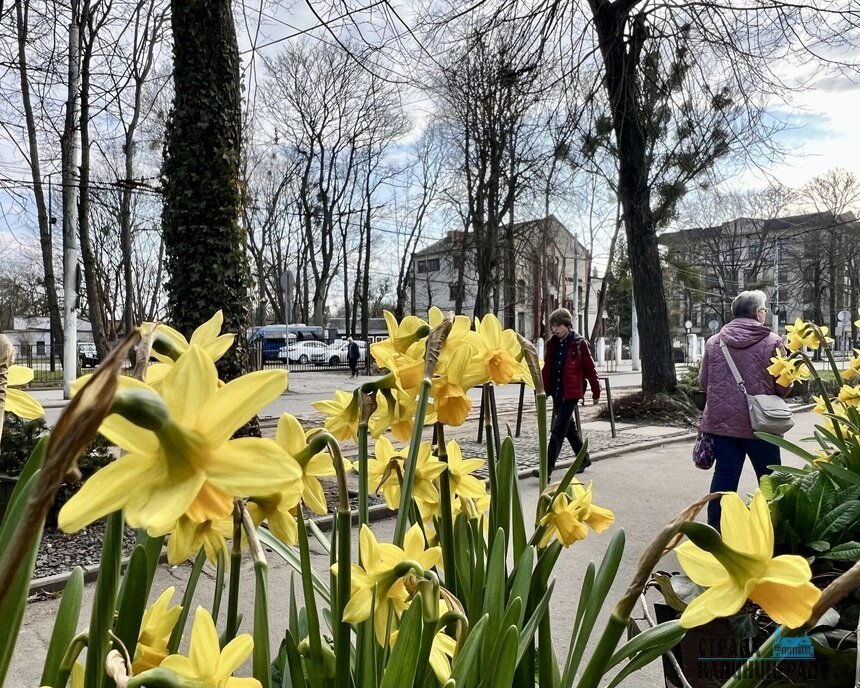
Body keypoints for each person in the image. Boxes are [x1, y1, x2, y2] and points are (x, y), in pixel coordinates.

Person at [699, 290, 791, 529]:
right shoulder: (773, 341)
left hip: (723, 425)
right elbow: (783, 385)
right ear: (758, 312)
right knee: (770, 479)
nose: (765, 313)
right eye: (765, 309)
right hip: (762, 425)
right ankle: (776, 528)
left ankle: (715, 528)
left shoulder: (714, 341)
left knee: (724, 477)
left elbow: (703, 382)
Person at [541, 307, 601, 476]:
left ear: (567, 325)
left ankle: (547, 468)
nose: (554, 329)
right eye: (552, 326)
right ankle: (584, 459)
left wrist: (596, 392)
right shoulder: (552, 344)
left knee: (558, 430)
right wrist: (544, 389)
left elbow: (590, 370)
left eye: (558, 325)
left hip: (571, 393)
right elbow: (548, 369)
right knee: (569, 428)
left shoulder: (579, 344)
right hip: (557, 392)